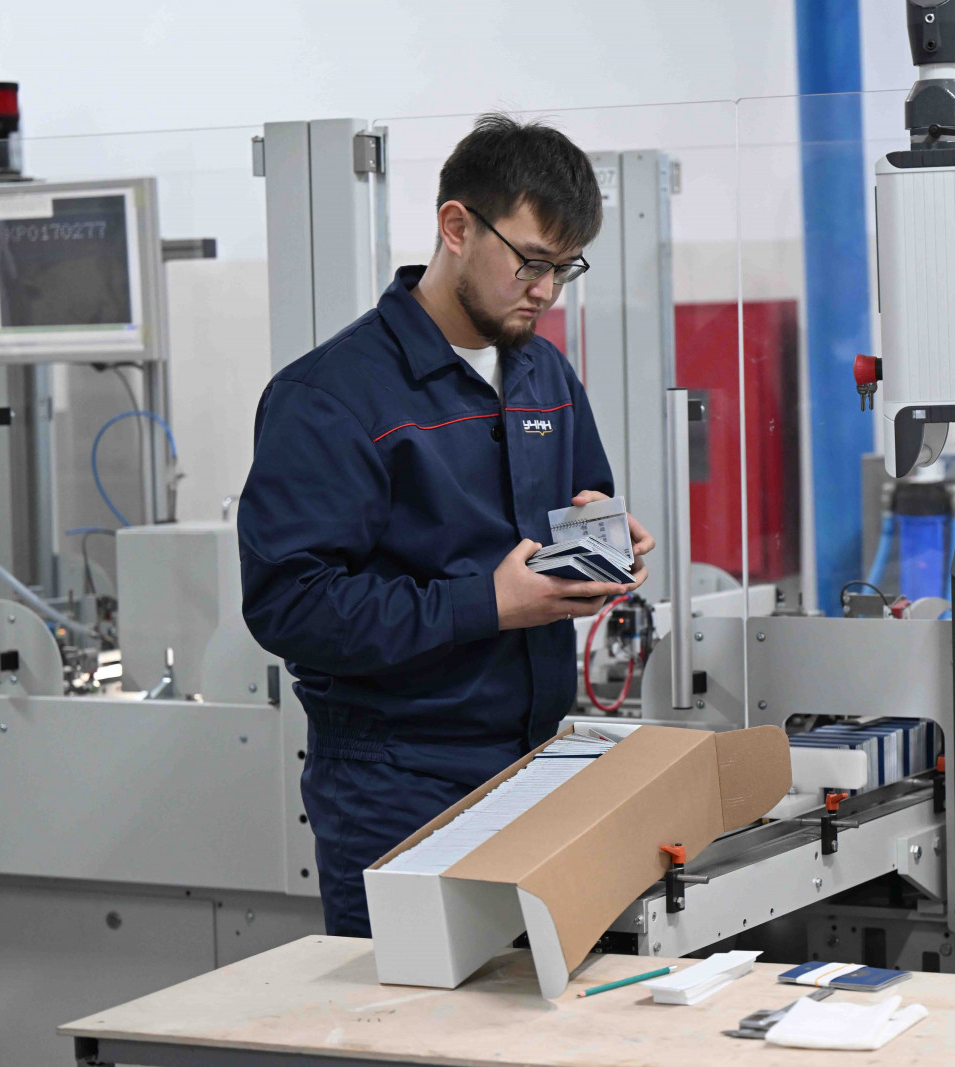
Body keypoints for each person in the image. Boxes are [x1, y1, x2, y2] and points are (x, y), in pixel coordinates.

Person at [238, 113, 653, 936]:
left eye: (564, 268)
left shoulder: (543, 373)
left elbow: (584, 495)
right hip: (394, 782)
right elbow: (289, 605)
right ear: (456, 227)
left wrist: (605, 542)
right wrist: (486, 603)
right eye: (531, 262)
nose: (546, 291)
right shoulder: (331, 396)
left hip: (535, 761)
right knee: (409, 1010)